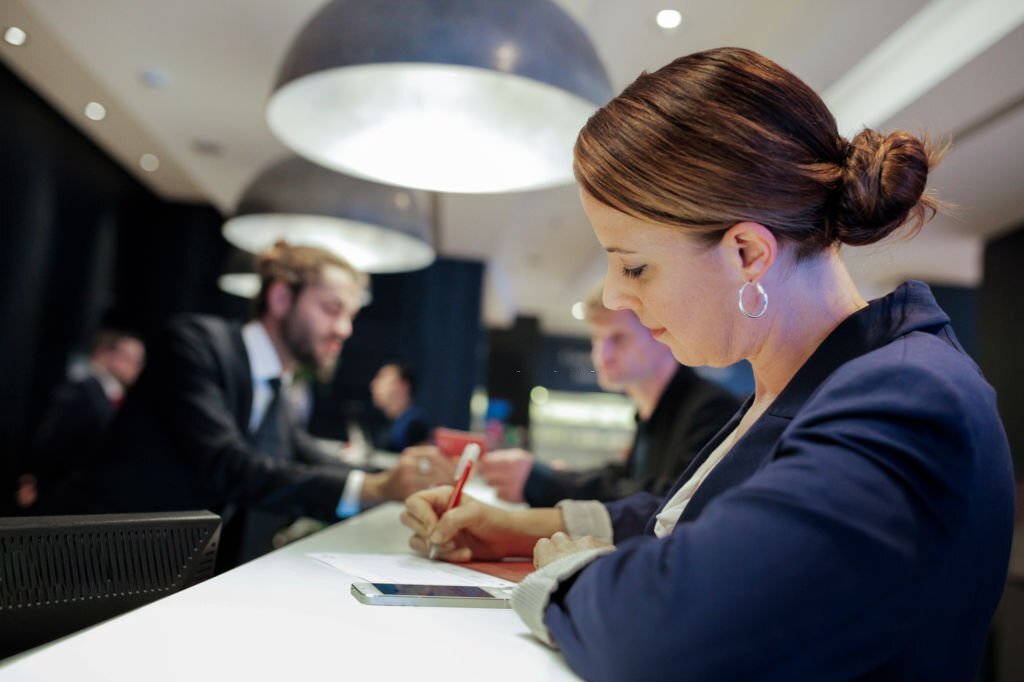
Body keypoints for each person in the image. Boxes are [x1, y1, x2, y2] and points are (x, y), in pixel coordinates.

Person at [402, 47, 1015, 680]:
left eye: (634, 265)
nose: (615, 296)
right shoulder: (808, 381)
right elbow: (687, 520)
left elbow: (666, 636)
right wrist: (515, 529)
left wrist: (568, 573)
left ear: (748, 252)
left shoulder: (909, 398)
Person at [91, 242, 452, 568]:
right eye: (332, 309)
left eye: (351, 316)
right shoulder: (194, 345)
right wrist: (373, 488)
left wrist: (395, 478)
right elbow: (230, 466)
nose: (345, 329)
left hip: (179, 571)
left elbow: (308, 456)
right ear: (280, 298)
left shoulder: (275, 389)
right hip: (107, 562)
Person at [479, 285, 739, 505]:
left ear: (662, 335)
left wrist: (548, 483)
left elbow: (672, 502)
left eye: (618, 338)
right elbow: (628, 480)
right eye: (597, 339)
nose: (601, 355)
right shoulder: (650, 412)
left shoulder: (710, 409)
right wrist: (560, 476)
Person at [16, 327, 145, 510]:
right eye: (131, 359)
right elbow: (51, 442)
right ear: (105, 354)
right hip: (62, 497)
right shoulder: (83, 391)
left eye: (139, 362)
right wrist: (35, 480)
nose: (136, 368)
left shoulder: (112, 398)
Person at [369, 362, 433, 452]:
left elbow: (421, 462)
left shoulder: (414, 426)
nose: (373, 384)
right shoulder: (391, 423)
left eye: (382, 378)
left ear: (403, 386)